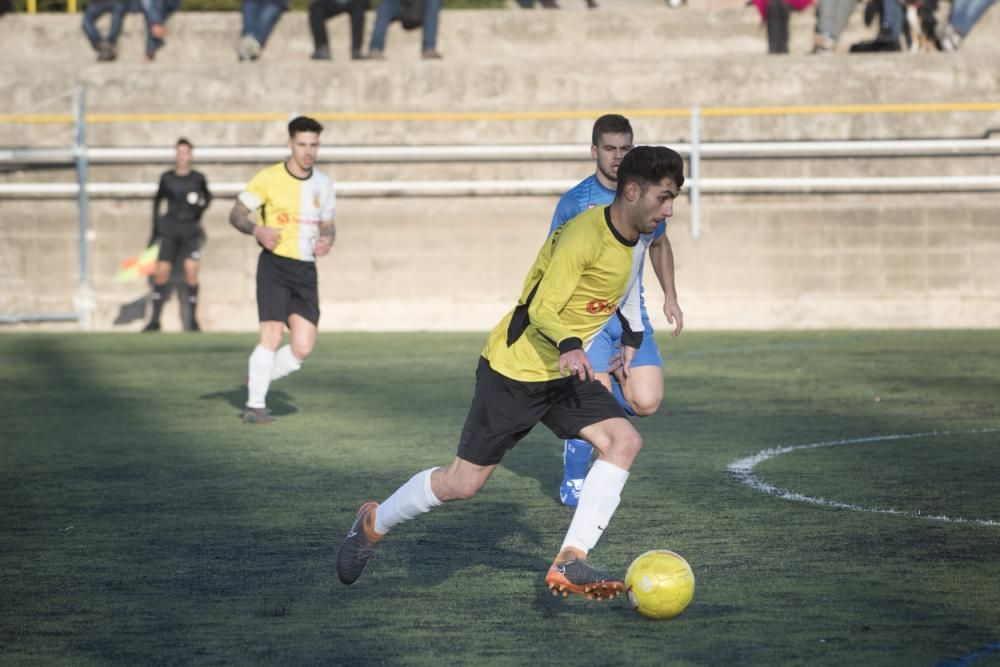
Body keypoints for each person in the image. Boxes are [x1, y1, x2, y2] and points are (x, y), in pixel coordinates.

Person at [336, 146, 686, 600]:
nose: (670, 210)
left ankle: (570, 560)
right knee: (462, 483)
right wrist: (571, 345)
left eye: (674, 198)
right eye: (663, 198)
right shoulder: (583, 236)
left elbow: (628, 296)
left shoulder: (638, 240)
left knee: (624, 441)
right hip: (515, 370)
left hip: (563, 373)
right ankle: (372, 523)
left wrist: (632, 343)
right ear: (633, 191)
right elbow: (542, 308)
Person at [550, 115, 683, 507]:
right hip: (589, 318)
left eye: (625, 148)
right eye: (610, 148)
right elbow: (554, 260)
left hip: (630, 313)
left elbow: (659, 244)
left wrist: (670, 296)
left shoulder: (644, 198)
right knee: (598, 397)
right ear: (595, 151)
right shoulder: (575, 202)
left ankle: (578, 409)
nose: (617, 156)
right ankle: (575, 477)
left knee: (646, 401)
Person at [227, 116, 336, 424]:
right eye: (302, 144)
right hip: (274, 265)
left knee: (303, 347)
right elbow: (236, 214)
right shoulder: (269, 178)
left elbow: (328, 226)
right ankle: (256, 405)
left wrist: (327, 240)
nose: (308, 151)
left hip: (305, 271)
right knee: (271, 335)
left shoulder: (323, 184)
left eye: (313, 145)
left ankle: (258, 375)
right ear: (290, 144)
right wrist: (256, 230)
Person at [143, 138, 212, 332]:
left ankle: (193, 321)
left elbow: (207, 197)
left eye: (185, 152)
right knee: (161, 272)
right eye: (179, 152)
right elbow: (157, 203)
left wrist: (198, 210)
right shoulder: (167, 178)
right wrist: (155, 230)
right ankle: (155, 320)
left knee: (191, 271)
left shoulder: (198, 178)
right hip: (170, 229)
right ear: (175, 155)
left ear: (191, 155)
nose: (182, 156)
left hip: (190, 230)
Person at [367, 0, 443, 60]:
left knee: (433, 2)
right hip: (399, 5)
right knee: (383, 5)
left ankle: (429, 48)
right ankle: (375, 48)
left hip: (422, 7)